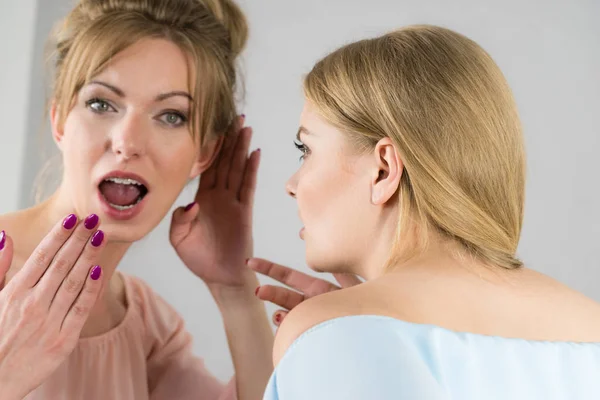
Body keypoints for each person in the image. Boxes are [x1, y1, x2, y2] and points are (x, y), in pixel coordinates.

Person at [253, 24, 600, 399]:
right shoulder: (590, 326)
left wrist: (333, 333)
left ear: (383, 169)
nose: (292, 184)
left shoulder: (329, 333)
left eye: (305, 150)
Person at [0, 0, 285, 398]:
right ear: (60, 120)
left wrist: (235, 289)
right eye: (101, 104)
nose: (128, 143)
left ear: (203, 153)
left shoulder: (146, 325)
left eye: (171, 116)